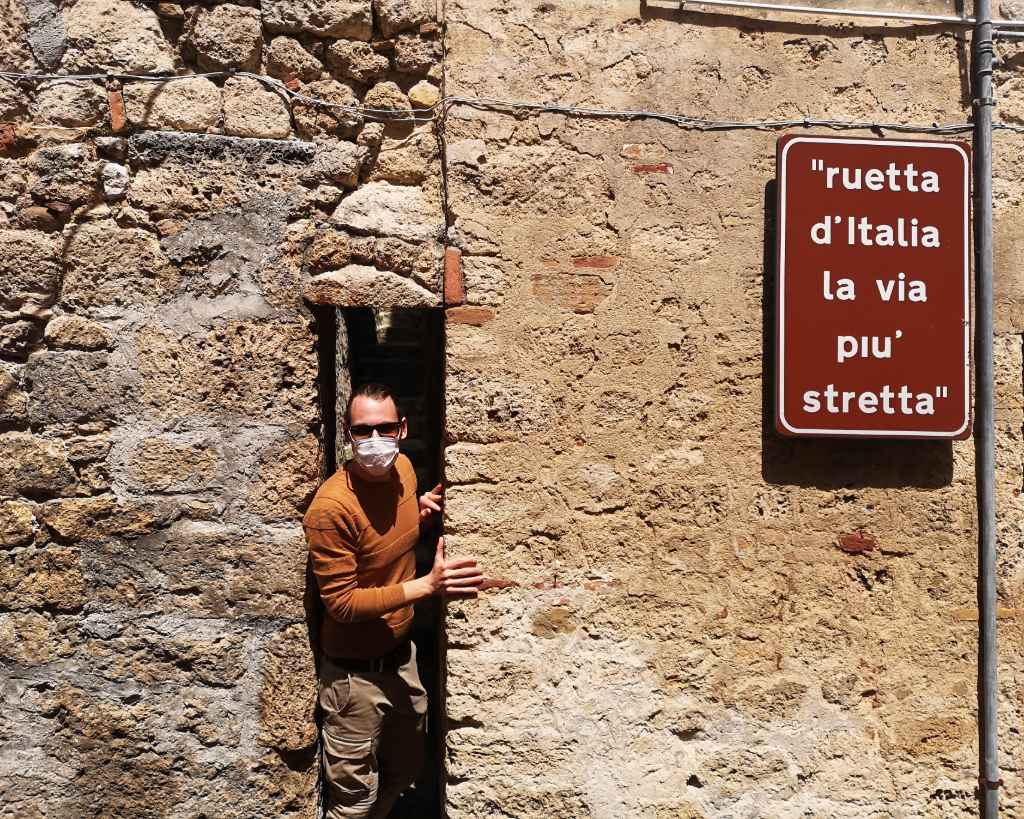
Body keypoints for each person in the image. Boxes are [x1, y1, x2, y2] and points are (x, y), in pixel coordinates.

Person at [303, 382, 484, 819]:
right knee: (353, 803)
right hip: (354, 680)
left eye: (385, 428)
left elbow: (384, 539)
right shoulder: (331, 509)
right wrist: (427, 586)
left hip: (402, 660)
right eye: (363, 431)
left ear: (402, 428)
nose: (375, 441)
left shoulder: (404, 472)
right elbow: (342, 603)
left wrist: (415, 510)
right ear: (347, 433)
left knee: (405, 773)